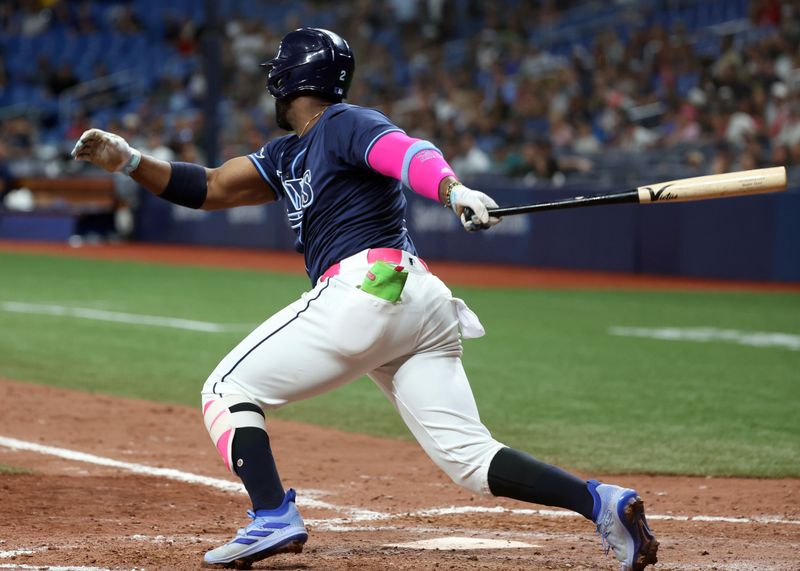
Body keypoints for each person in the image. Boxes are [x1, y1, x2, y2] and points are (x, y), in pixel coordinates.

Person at [72, 28, 658, 571]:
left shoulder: (345, 123)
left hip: (367, 288)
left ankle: (272, 515)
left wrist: (452, 189)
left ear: (286, 80)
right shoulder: (286, 153)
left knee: (227, 391)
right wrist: (128, 161)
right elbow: (209, 186)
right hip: (418, 300)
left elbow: (407, 153)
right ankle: (600, 502)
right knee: (469, 459)